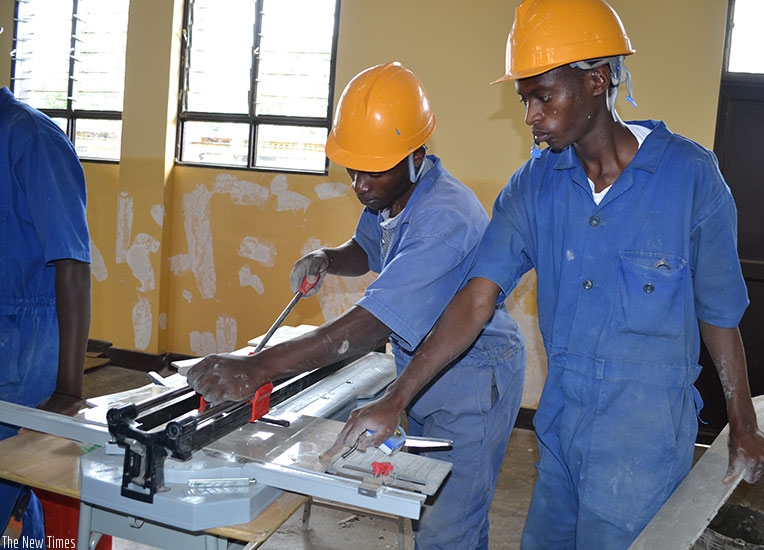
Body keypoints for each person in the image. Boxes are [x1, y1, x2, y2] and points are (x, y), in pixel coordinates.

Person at [328, 2, 764, 549]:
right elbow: (476, 299)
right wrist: (396, 398)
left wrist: (742, 422)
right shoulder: (533, 187)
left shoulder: (689, 177)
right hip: (562, 431)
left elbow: (719, 313)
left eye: (544, 96)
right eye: (525, 100)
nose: (531, 116)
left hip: (645, 441)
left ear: (596, 81)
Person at [187, 62, 526, 550]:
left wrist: (259, 366)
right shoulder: (394, 197)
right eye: (353, 168)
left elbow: (369, 326)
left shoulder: (444, 217)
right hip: (427, 368)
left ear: (416, 155)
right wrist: (327, 258)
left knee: (450, 525)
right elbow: (367, 249)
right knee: (428, 505)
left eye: (373, 171)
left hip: (472, 377)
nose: (360, 184)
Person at [0, 85, 92, 543]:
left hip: (20, 354)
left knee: (11, 473)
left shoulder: (31, 138)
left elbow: (73, 263)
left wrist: (68, 389)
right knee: (13, 491)